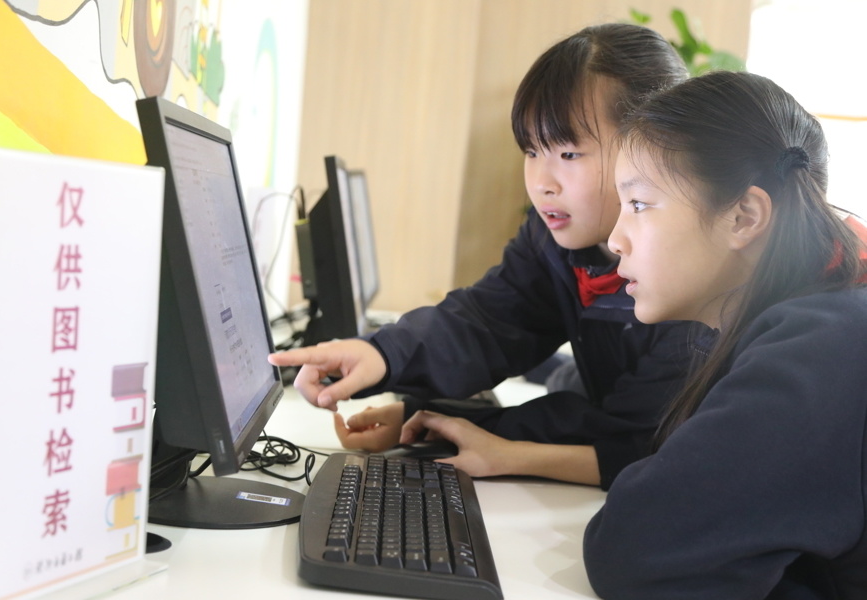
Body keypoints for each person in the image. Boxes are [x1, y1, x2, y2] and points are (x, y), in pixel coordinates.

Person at [269, 23, 693, 490]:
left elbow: (635, 437)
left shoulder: (694, 280)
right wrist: (380, 354)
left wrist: (437, 423)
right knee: (563, 382)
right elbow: (488, 322)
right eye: (532, 151)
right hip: (608, 413)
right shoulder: (553, 239)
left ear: (654, 150)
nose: (542, 182)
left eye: (570, 154)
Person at [583, 70, 867, 598]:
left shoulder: (824, 344)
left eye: (639, 204)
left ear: (743, 216)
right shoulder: (816, 316)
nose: (615, 239)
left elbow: (636, 552)